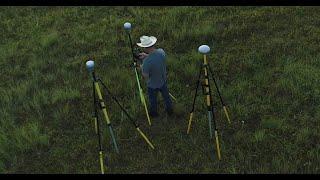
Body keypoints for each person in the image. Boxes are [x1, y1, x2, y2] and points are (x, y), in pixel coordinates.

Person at [136, 35, 173, 118]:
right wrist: (147, 56)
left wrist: (141, 67)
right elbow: (156, 59)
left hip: (152, 85)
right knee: (166, 96)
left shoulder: (146, 62)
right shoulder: (161, 52)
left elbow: (145, 76)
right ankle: (170, 110)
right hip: (163, 80)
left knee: (153, 99)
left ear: (145, 48)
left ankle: (154, 113)